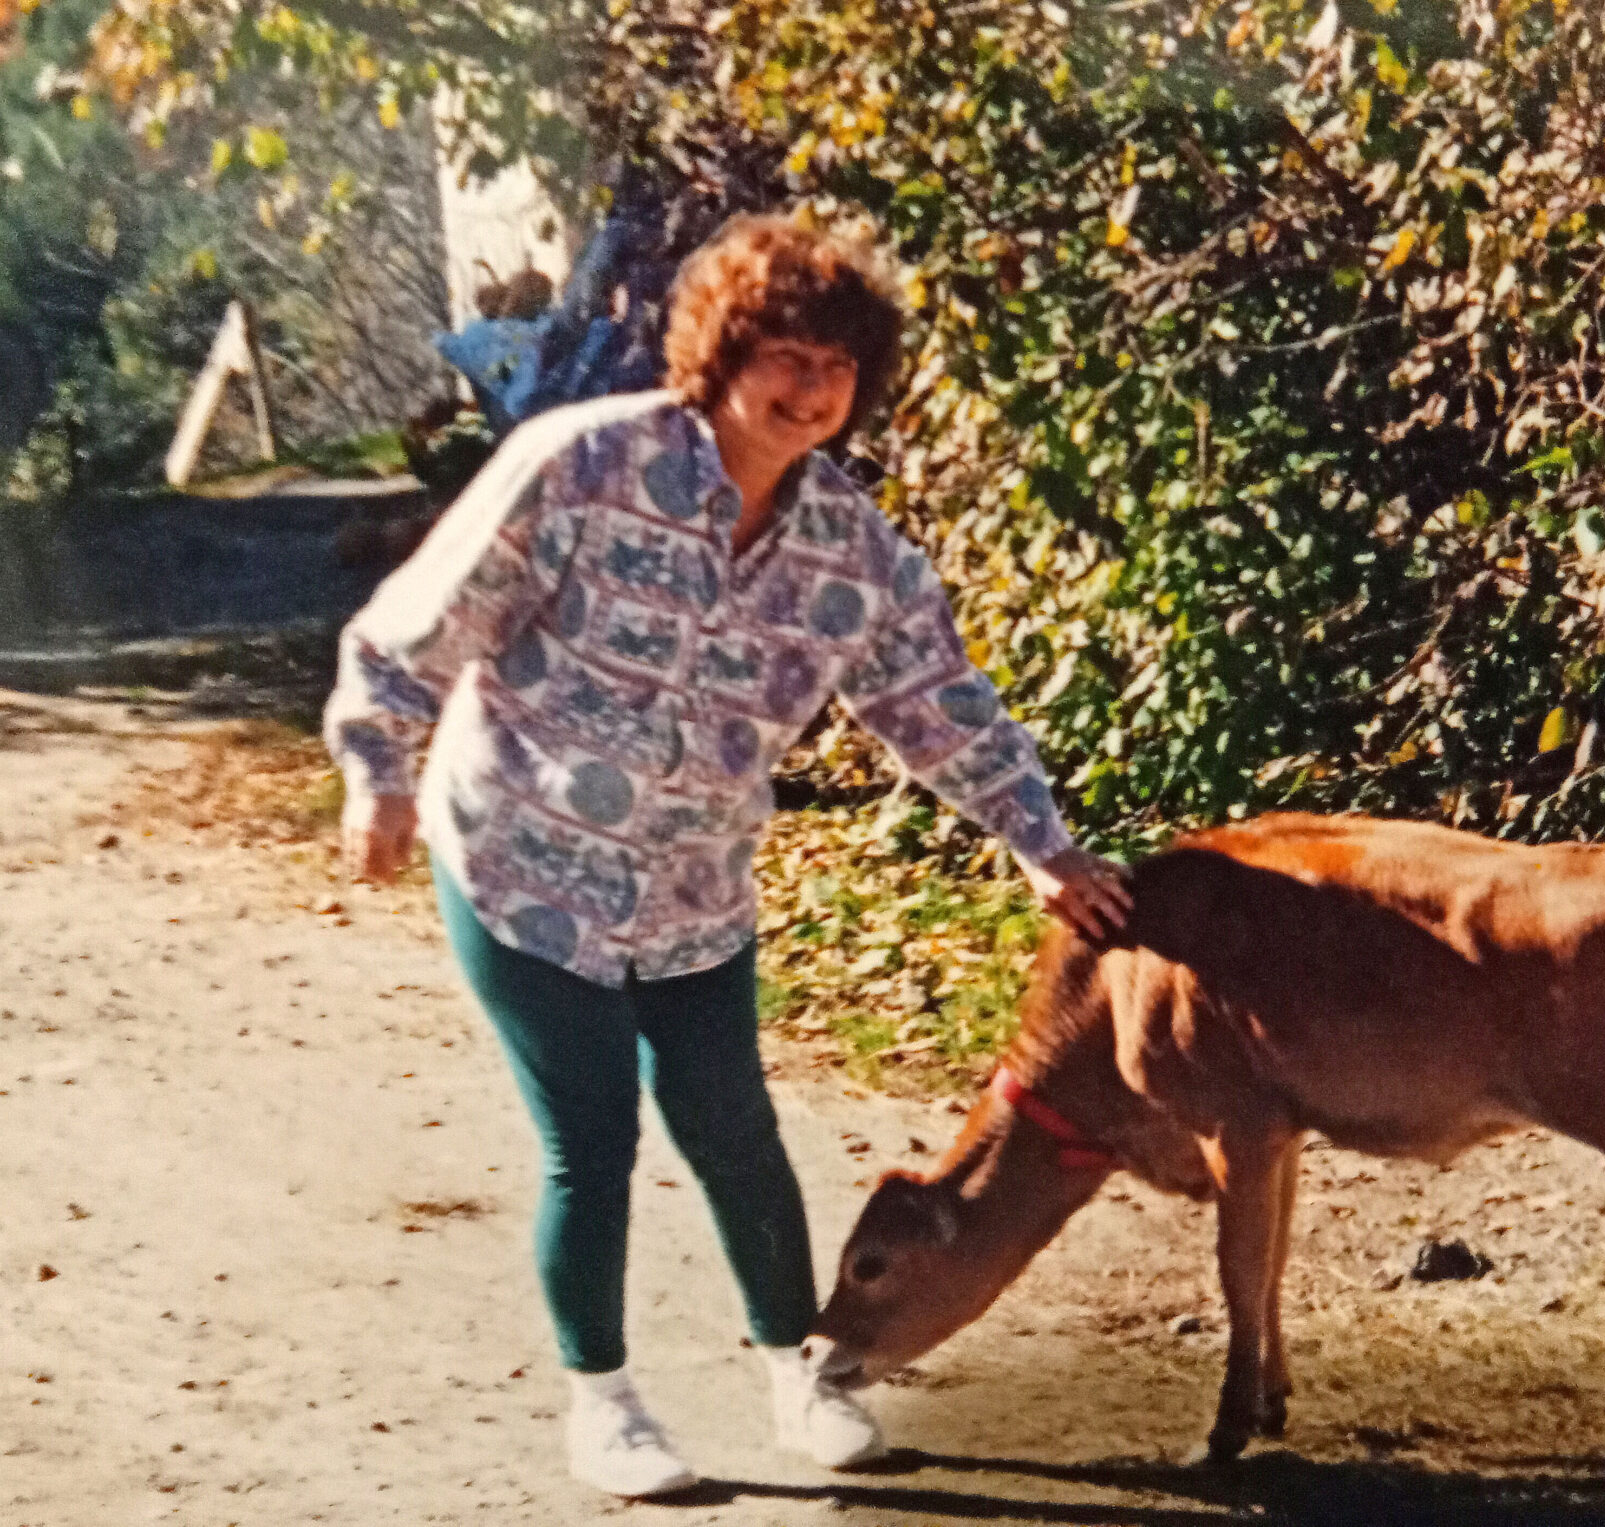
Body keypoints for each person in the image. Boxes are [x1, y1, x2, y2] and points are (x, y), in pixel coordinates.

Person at [322, 211, 1131, 1498]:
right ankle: (605, 1406)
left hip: (695, 887)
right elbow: (413, 629)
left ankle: (800, 1376)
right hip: (525, 862)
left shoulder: (851, 552)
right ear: (722, 351)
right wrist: (378, 770)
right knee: (590, 1139)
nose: (810, 390)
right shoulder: (583, 466)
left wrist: (1040, 842)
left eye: (837, 367)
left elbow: (937, 702)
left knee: (734, 1129)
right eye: (786, 357)